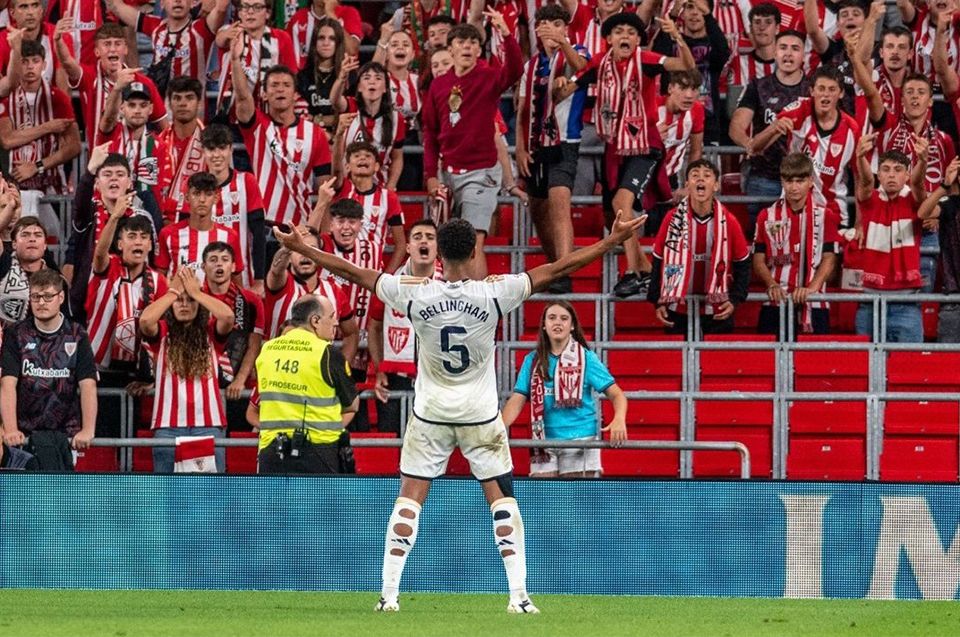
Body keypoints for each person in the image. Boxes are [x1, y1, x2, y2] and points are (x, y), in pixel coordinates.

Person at [273, 206, 644, 614]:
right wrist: (611, 241)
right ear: (472, 255)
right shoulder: (494, 293)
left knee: (409, 501)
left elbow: (355, 273)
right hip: (480, 416)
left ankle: (388, 596)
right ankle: (519, 597)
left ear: (441, 256)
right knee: (502, 501)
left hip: (430, 413)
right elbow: (558, 268)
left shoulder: (413, 292)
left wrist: (303, 247)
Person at [567, 12, 694, 298]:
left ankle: (630, 272)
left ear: (638, 40)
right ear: (609, 38)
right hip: (614, 148)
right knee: (612, 212)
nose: (625, 36)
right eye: (619, 31)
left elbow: (685, 64)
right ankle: (646, 269)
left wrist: (676, 36)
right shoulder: (599, 63)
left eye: (631, 32)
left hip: (645, 145)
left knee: (622, 201)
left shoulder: (647, 61)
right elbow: (571, 85)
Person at [421, 15, 523, 279]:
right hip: (448, 173)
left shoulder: (489, 77)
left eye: (473, 42)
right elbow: (430, 134)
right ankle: (455, 300)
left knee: (474, 240)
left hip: (481, 172)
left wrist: (507, 34)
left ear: (480, 50)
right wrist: (432, 175)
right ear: (450, 47)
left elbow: (515, 71)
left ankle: (480, 306)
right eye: (461, 41)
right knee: (449, 244)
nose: (467, 46)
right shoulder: (438, 85)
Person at [501, 300, 627, 478]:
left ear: (572, 325)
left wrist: (619, 418)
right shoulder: (532, 360)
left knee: (576, 503)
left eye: (564, 318)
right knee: (545, 503)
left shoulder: (587, 359)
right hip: (543, 442)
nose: (557, 322)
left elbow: (616, 394)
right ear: (544, 325)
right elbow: (517, 399)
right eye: (551, 318)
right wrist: (498, 429)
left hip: (581, 441)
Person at [515, 4, 588, 295]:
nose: (550, 31)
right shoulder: (530, 66)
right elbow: (521, 109)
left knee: (559, 202)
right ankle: (554, 263)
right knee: (537, 209)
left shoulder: (575, 51)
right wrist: (519, 150)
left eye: (557, 25)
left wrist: (564, 43)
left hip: (564, 142)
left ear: (566, 28)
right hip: (534, 143)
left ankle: (565, 270)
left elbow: (583, 69)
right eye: (544, 26)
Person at [231, 29, 331, 230]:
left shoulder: (316, 134)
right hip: (261, 224)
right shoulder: (257, 126)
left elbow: (324, 190)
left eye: (286, 85)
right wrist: (235, 60)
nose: (280, 89)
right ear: (264, 95)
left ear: (295, 94)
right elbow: (242, 97)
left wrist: (325, 236)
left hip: (299, 227)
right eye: (274, 85)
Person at [139, 267, 235, 473]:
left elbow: (227, 317)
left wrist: (197, 293)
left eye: (189, 300)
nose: (184, 304)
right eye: (178, 300)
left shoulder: (210, 331)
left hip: (208, 425)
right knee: (167, 495)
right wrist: (172, 292)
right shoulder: (163, 331)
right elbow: (146, 321)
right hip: (167, 426)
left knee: (209, 496)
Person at [1, 269, 97, 470]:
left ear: (60, 297)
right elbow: (7, 384)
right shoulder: (16, 333)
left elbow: (88, 385)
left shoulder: (77, 334)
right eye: (36, 297)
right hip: (24, 437)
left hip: (65, 434)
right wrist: (10, 429)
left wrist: (88, 429)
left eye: (48, 296)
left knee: (61, 498)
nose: (41, 302)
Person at [254, 294, 358, 473]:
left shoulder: (267, 349)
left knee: (276, 502)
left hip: (271, 453)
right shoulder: (327, 353)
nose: (335, 323)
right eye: (332, 316)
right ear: (315, 320)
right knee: (320, 502)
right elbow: (352, 405)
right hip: (318, 454)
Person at [648, 159, 751, 336]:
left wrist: (734, 300)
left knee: (717, 363)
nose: (700, 180)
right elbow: (658, 261)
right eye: (695, 176)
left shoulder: (729, 221)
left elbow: (743, 263)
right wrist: (658, 301)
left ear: (716, 185)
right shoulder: (671, 219)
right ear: (687, 184)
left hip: (717, 310)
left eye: (707, 176)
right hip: (677, 307)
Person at [729, 29, 810, 238]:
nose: (788, 54)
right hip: (763, 177)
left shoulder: (814, 89)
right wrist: (750, 145)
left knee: (800, 240)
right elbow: (736, 127)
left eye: (795, 49)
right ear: (774, 51)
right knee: (761, 242)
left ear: (804, 54)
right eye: (783, 48)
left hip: (804, 179)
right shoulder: (758, 86)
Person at [367, 219, 443, 433]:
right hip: (396, 379)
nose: (423, 242)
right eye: (417, 237)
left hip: (434, 379)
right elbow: (374, 328)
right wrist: (380, 369)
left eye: (430, 237)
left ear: (438, 247)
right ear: (408, 247)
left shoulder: (450, 284)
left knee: (430, 446)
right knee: (395, 446)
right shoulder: (389, 285)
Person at [753, 153, 840, 337]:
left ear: (810, 181)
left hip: (815, 303)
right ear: (782, 182)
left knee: (813, 364)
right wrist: (771, 285)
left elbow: (829, 258)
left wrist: (811, 289)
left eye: (799, 181)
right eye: (789, 181)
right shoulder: (765, 216)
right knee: (768, 362)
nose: (794, 187)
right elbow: (759, 259)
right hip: (776, 301)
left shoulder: (825, 216)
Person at [853, 136, 926, 343]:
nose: (891, 175)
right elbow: (866, 182)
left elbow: (919, 184)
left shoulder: (914, 200)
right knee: (864, 370)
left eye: (898, 170)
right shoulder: (870, 200)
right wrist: (860, 158)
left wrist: (922, 161)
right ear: (879, 174)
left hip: (907, 303)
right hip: (870, 302)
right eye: (885, 169)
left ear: (907, 175)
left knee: (909, 370)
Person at [56, 21, 168, 151]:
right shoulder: (89, 76)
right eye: (107, 44)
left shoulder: (144, 83)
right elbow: (68, 63)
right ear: (97, 51)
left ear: (126, 49)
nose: (113, 49)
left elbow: (164, 127)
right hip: (100, 163)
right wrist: (58, 41)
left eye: (117, 43)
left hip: (133, 163)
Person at [0, 40, 80, 196]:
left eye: (35, 61)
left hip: (51, 186)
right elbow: (7, 140)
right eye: (24, 62)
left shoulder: (59, 98)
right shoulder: (7, 99)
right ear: (16, 64)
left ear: (44, 65)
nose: (30, 67)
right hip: (12, 188)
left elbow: (74, 146)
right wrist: (49, 127)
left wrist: (37, 166)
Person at [202, 241, 264, 434]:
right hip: (201, 385)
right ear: (203, 267)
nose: (219, 264)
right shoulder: (195, 298)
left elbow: (254, 344)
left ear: (234, 266)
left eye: (224, 260)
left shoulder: (251, 300)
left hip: (237, 387)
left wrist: (240, 379)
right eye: (213, 260)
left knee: (236, 445)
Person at [652, 0, 730, 145]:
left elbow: (723, 51)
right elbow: (656, 55)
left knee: (705, 167)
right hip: (670, 120)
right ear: (683, 12)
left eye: (700, 8)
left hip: (708, 121)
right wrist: (673, 14)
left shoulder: (713, 44)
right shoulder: (673, 42)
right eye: (689, 7)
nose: (695, 12)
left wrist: (708, 16)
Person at [201, 124, 267, 295]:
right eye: (211, 149)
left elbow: (259, 233)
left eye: (222, 148)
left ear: (230, 149)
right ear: (203, 151)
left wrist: (259, 281)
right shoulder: (195, 187)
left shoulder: (247, 182)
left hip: (244, 277)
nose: (216, 155)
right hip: (205, 277)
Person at [104, 0, 228, 90]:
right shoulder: (154, 26)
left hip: (195, 116)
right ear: (162, 3)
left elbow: (221, 7)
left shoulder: (202, 29)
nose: (177, 1)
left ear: (193, 3)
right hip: (161, 115)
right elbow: (115, 6)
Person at [155, 172, 245, 280]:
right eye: (197, 194)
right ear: (187, 198)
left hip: (214, 297)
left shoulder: (230, 236)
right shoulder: (168, 234)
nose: (202, 200)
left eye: (208, 194)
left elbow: (237, 282)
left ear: (216, 198)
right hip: (179, 297)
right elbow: (160, 279)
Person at [331, 62, 406, 190]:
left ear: (385, 88)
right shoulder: (351, 108)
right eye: (366, 78)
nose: (372, 82)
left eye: (378, 78)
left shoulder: (396, 119)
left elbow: (397, 157)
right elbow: (335, 100)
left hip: (379, 189)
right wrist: (342, 78)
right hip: (348, 188)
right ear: (359, 87)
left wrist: (391, 185)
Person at [157, 76, 207, 222]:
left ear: (200, 103)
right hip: (163, 223)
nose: (183, 103)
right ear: (170, 104)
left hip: (201, 223)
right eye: (177, 98)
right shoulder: (156, 144)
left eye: (189, 98)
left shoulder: (211, 143)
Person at [0, 214, 60, 327]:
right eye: (25, 235)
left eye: (38, 235)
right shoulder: (3, 266)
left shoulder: (57, 280)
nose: (32, 239)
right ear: (14, 243)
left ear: (45, 245)